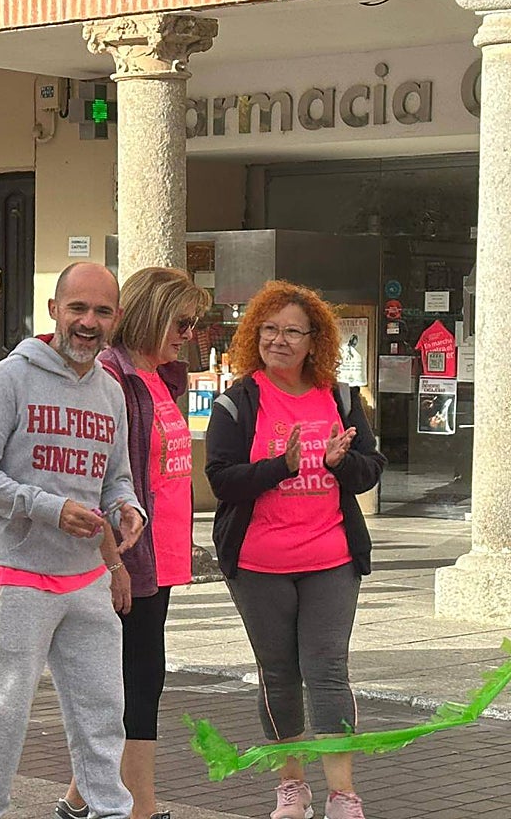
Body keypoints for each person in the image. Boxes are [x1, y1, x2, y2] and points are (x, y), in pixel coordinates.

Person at [0, 261, 145, 819]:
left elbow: (116, 476)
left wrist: (126, 509)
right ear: (54, 312)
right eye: (78, 309)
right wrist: (49, 508)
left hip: (87, 575)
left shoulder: (110, 390)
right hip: (16, 575)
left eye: (102, 311)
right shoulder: (11, 378)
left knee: (103, 711)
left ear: (115, 318)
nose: (89, 322)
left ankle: (109, 810)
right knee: (4, 711)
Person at [205, 280, 386, 819]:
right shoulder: (237, 402)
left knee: (328, 671)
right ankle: (292, 786)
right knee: (278, 674)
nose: (278, 340)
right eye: (268, 329)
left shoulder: (342, 398)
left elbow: (369, 471)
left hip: (331, 557)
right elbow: (222, 479)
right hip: (259, 564)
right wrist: (279, 468)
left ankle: (343, 794)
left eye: (291, 332)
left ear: (315, 341)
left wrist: (337, 463)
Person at [57, 267, 211, 819]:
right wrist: (113, 559)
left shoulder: (162, 378)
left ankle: (80, 799)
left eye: (193, 325)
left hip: (161, 557)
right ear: (150, 314)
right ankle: (139, 808)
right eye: (181, 322)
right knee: (137, 683)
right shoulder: (115, 378)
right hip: (129, 559)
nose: (188, 335)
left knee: (135, 680)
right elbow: (101, 476)